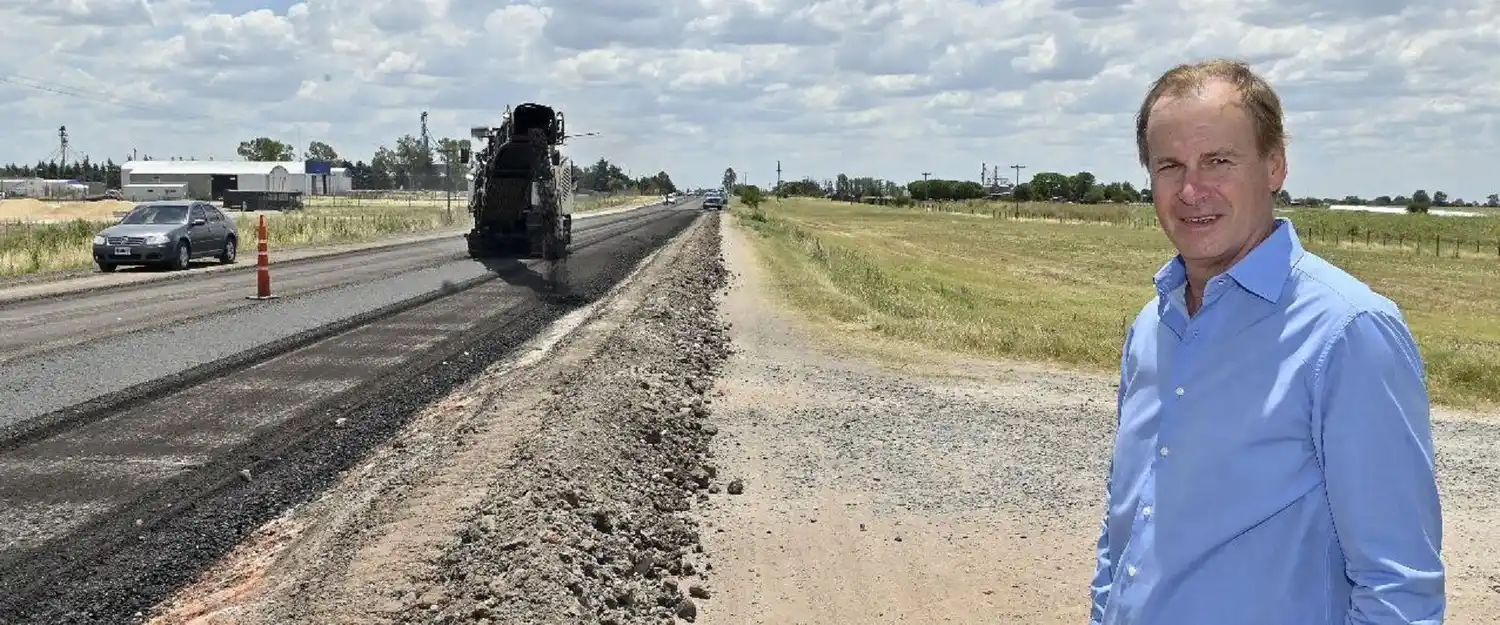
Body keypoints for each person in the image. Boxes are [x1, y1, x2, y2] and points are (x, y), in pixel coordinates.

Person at [1088, 58, 1446, 624]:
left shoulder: (1347, 332)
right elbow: (1129, 525)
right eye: (1169, 166)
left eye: (1219, 161)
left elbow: (1398, 586)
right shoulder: (1152, 326)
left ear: (1275, 166)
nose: (1191, 190)